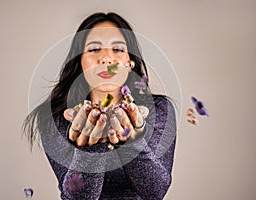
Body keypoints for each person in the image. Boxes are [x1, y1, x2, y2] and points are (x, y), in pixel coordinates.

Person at [22, 12, 177, 200]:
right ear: (80, 62)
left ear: (130, 62)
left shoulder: (158, 109)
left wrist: (132, 141)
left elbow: (155, 191)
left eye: (118, 49)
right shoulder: (55, 118)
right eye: (94, 49)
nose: (105, 59)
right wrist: (90, 148)